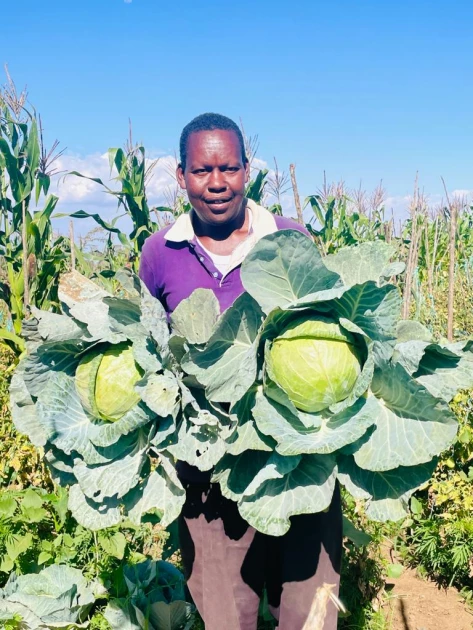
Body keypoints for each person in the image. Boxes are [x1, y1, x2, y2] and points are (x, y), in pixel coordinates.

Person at [139, 113, 342, 630]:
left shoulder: (289, 240)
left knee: (308, 609)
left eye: (228, 168)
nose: (216, 183)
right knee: (225, 611)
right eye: (202, 170)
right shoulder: (161, 253)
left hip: (299, 456)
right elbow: (147, 348)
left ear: (247, 171)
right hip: (208, 468)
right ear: (181, 176)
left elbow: (330, 323)